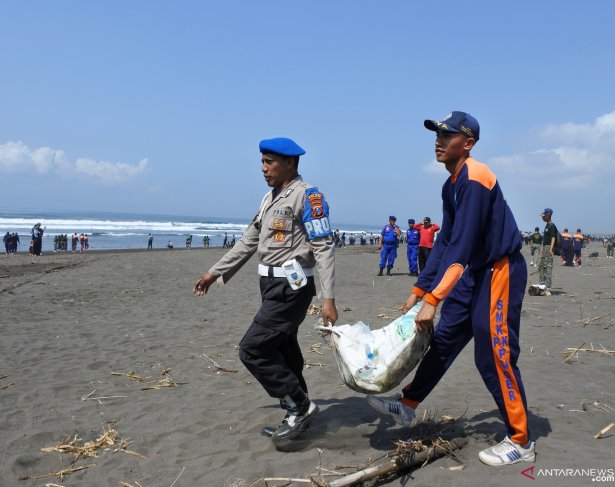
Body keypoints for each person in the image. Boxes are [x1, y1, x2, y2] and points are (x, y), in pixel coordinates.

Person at [366, 111, 535, 466]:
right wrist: (419, 289)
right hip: (473, 272)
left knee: (494, 355)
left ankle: (520, 440)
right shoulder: (451, 184)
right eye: (437, 134)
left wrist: (434, 298)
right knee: (444, 339)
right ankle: (407, 404)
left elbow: (462, 244)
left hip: (498, 271)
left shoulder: (475, 178)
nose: (438, 141)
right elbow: (444, 244)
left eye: (447, 135)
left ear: (468, 142)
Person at [193, 137, 337, 445]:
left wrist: (328, 297)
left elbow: (323, 247)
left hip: (292, 287)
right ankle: (299, 416)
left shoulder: (307, 196)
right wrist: (214, 272)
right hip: (270, 285)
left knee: (253, 349)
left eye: (270, 162)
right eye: (262, 161)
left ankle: (299, 405)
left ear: (290, 163)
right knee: (283, 348)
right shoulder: (269, 198)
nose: (263, 168)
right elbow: (248, 241)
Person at [536, 209, 557, 295]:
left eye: (544, 216)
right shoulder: (546, 226)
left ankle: (548, 286)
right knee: (542, 266)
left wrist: (551, 249)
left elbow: (553, 238)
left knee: (548, 266)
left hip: (549, 247)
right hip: (545, 248)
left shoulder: (552, 226)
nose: (543, 217)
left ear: (548, 215)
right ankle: (542, 284)